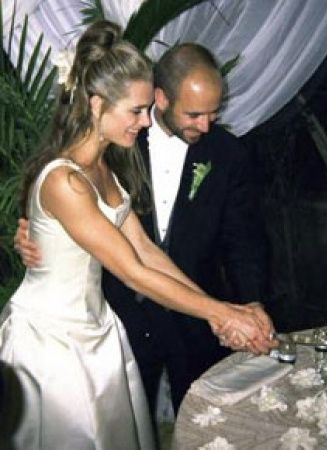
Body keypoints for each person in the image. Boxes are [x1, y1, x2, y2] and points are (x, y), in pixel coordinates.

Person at [3, 20, 275, 450]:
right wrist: (222, 315)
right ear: (96, 106)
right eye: (136, 111)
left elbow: (145, 250)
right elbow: (131, 271)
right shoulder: (65, 181)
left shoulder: (105, 168)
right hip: (54, 339)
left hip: (96, 326)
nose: (146, 122)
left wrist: (224, 308)